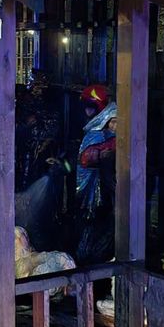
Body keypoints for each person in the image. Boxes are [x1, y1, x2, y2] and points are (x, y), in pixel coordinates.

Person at [75, 101, 117, 264]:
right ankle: (84, 256)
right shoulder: (95, 136)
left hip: (106, 188)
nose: (115, 126)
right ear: (106, 120)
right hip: (91, 187)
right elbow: (85, 159)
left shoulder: (113, 139)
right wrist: (103, 153)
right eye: (113, 121)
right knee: (89, 221)